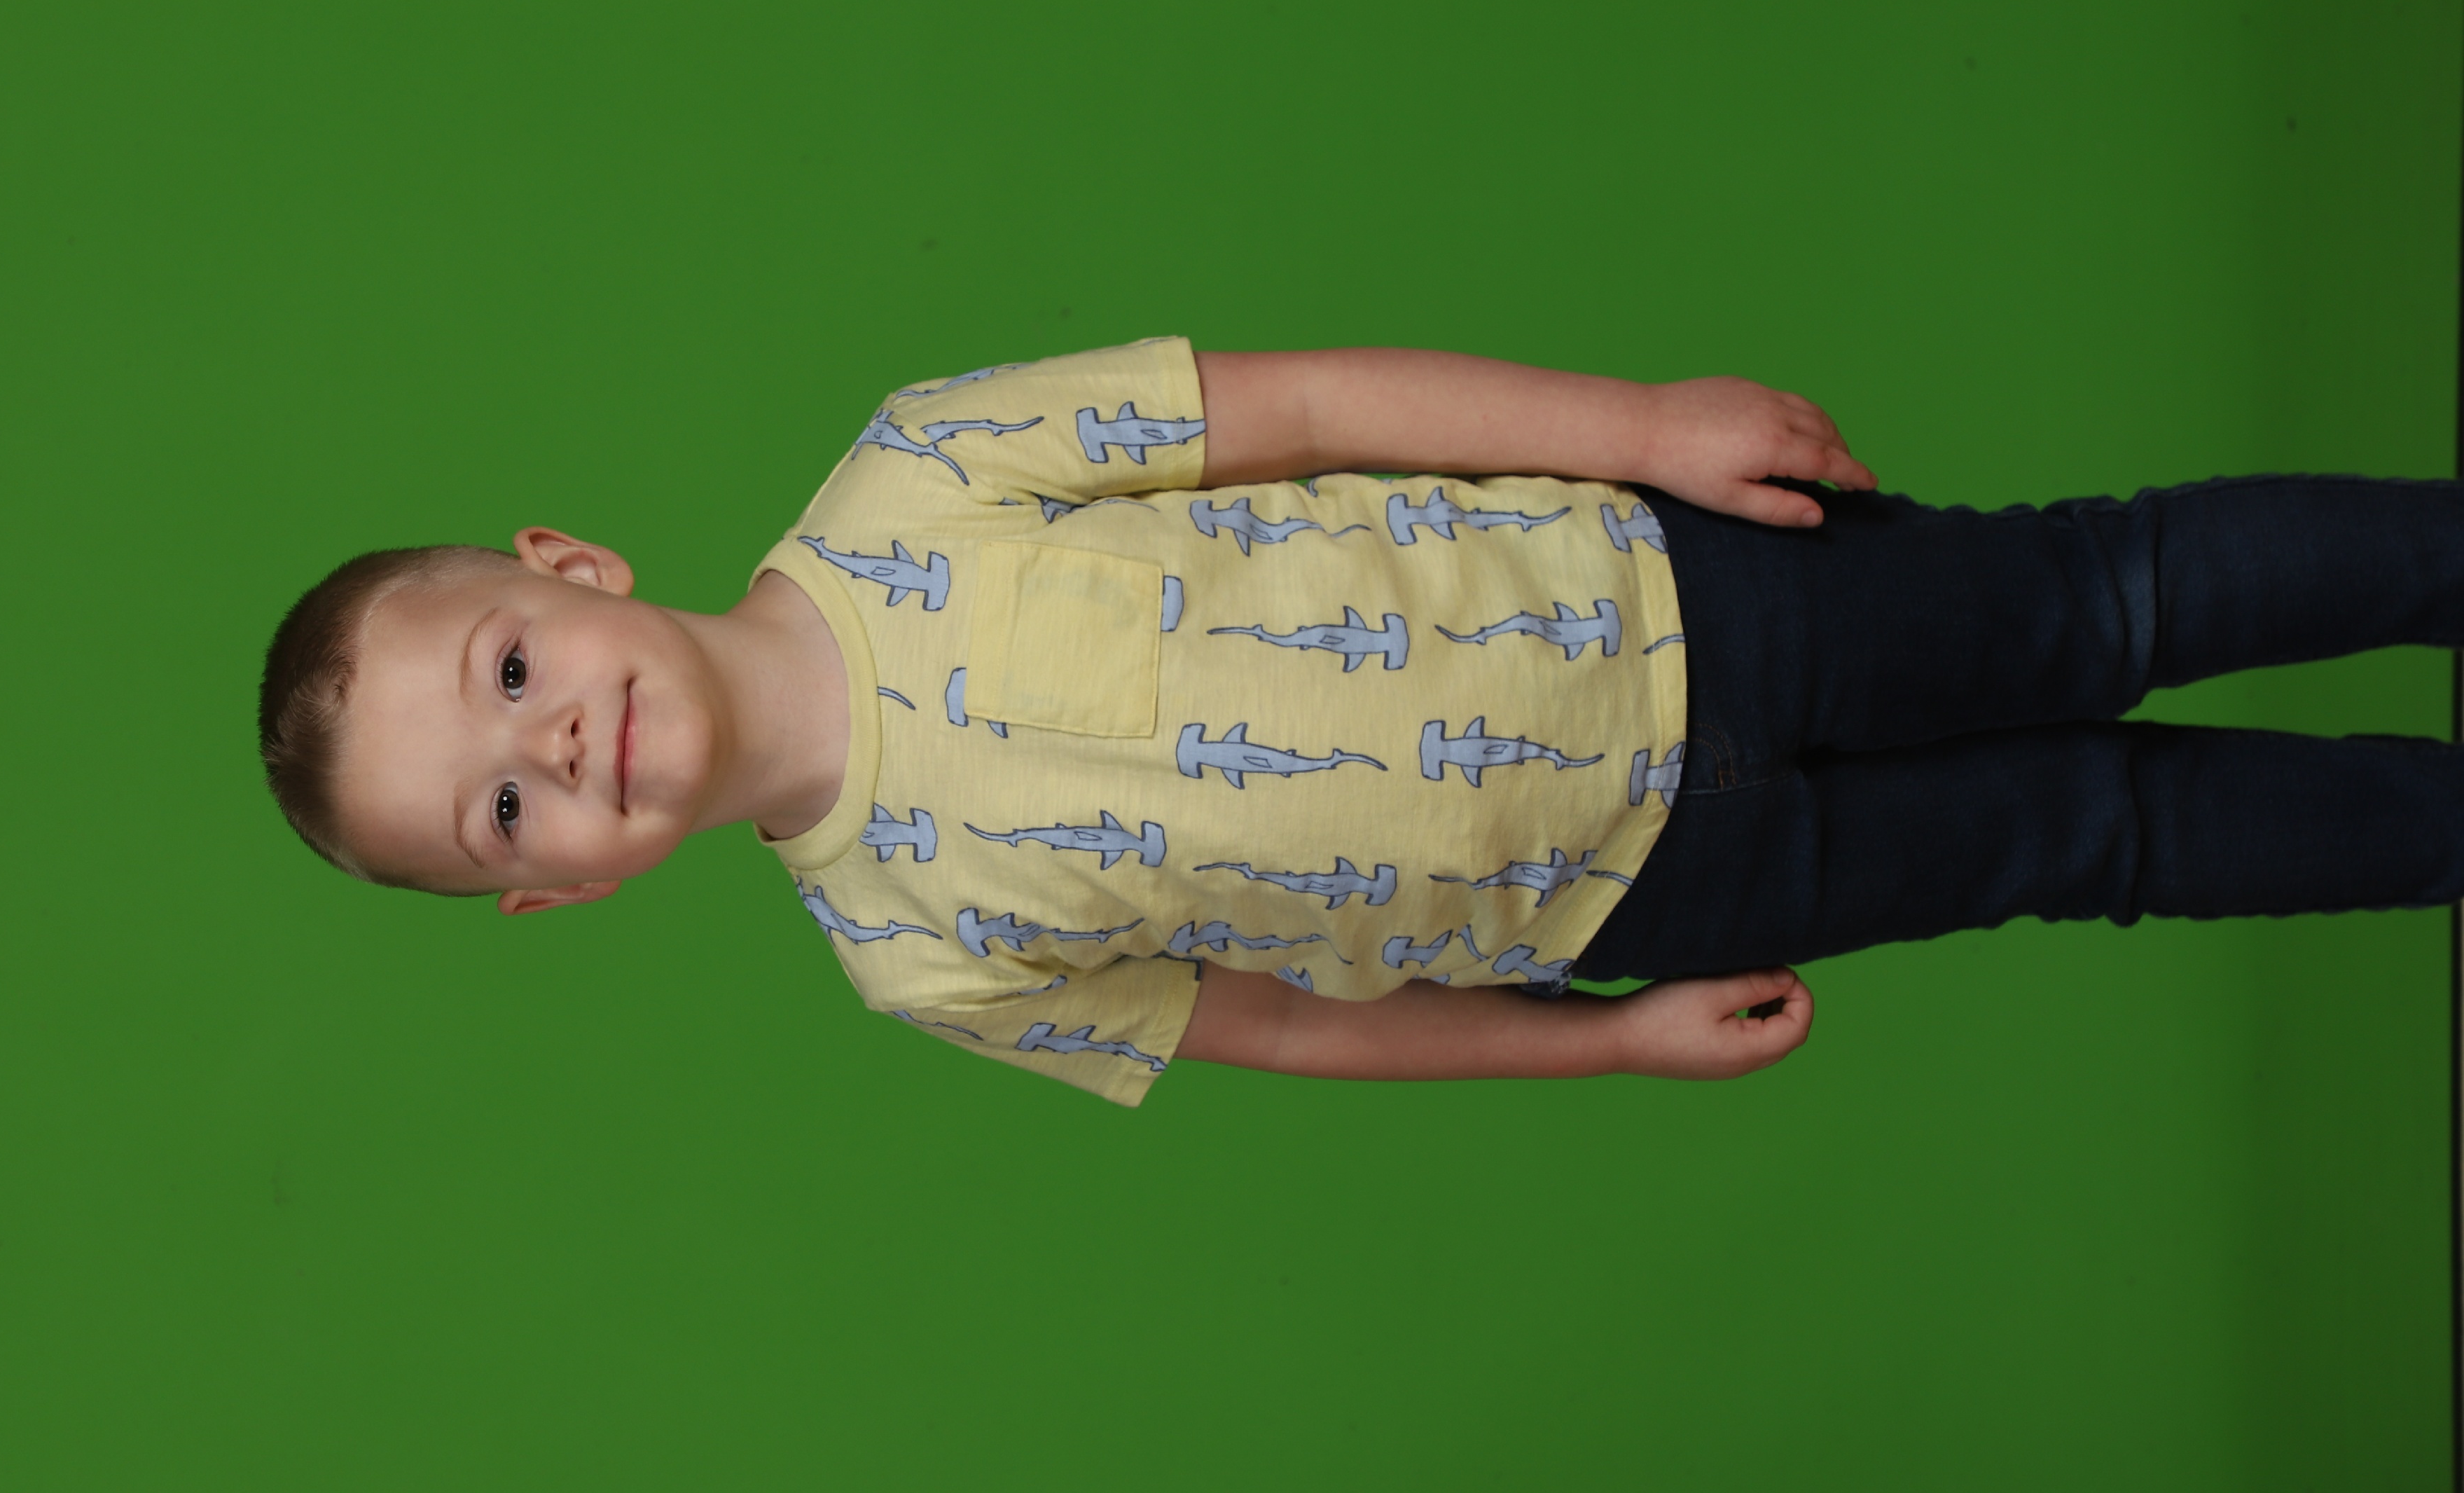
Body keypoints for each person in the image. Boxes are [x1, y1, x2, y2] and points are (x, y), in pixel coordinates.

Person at [256, 338, 2464, 1105]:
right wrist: (1604, 1041)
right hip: (1645, 892)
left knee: (2105, 596)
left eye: (509, 681)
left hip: (1679, 594)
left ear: (566, 569)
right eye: (504, 812)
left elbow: (1303, 407)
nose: (559, 752)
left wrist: (1643, 431)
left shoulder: (920, 465)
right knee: (2101, 841)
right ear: (558, 893)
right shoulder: (911, 960)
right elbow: (1292, 1030)